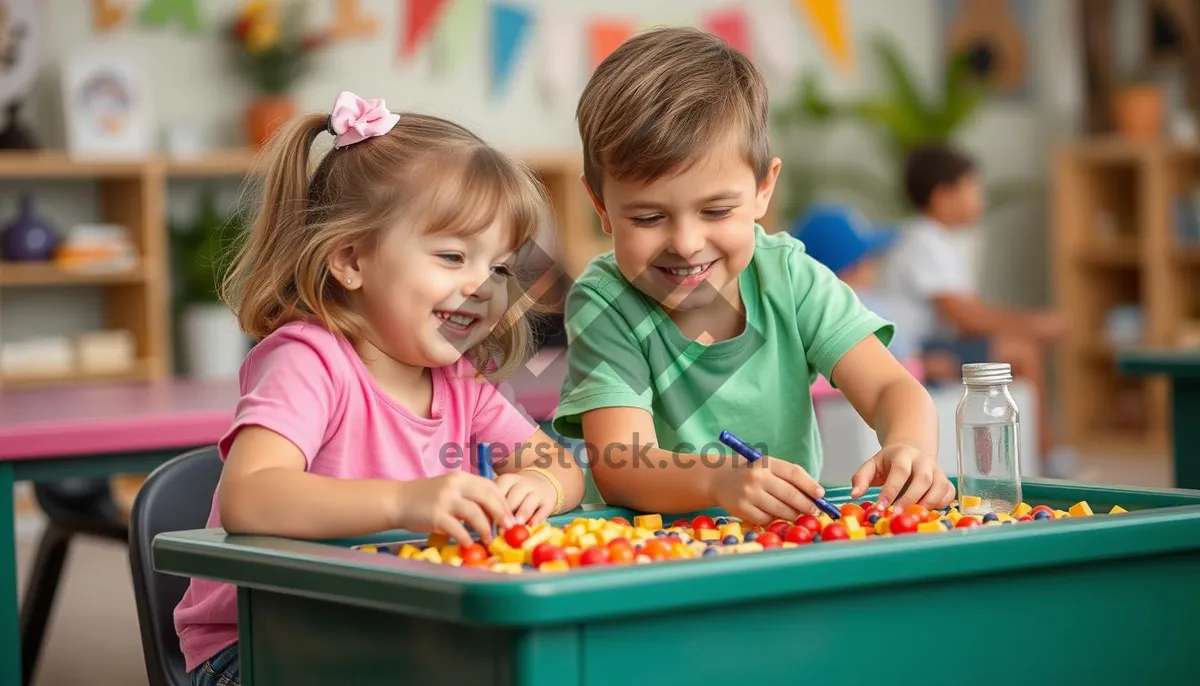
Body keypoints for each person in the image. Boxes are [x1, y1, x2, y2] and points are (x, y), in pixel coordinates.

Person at [174, 91, 586, 686]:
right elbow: (250, 497)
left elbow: (560, 464)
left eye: (498, 268)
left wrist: (541, 485)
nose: (482, 286)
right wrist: (404, 501)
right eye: (451, 255)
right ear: (350, 260)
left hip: (389, 625)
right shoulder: (307, 361)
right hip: (261, 641)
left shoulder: (460, 379)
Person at [552, 27, 952, 527]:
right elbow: (623, 464)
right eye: (648, 219)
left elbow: (892, 387)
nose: (686, 243)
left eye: (716, 211)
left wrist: (909, 446)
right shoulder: (605, 303)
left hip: (783, 549)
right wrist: (721, 481)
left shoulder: (789, 276)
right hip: (650, 563)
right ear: (601, 207)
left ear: (764, 189)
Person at [879, 143, 1068, 473]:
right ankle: (1046, 457)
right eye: (972, 188)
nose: (982, 198)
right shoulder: (925, 241)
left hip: (936, 342)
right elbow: (964, 316)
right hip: (916, 349)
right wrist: (1033, 324)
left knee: (1019, 346)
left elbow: (970, 312)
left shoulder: (941, 240)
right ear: (942, 195)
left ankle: (1039, 453)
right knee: (1020, 352)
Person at [790, 203, 916, 361]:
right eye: (869, 257)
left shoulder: (802, 308)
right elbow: (908, 361)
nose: (875, 264)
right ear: (852, 268)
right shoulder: (866, 305)